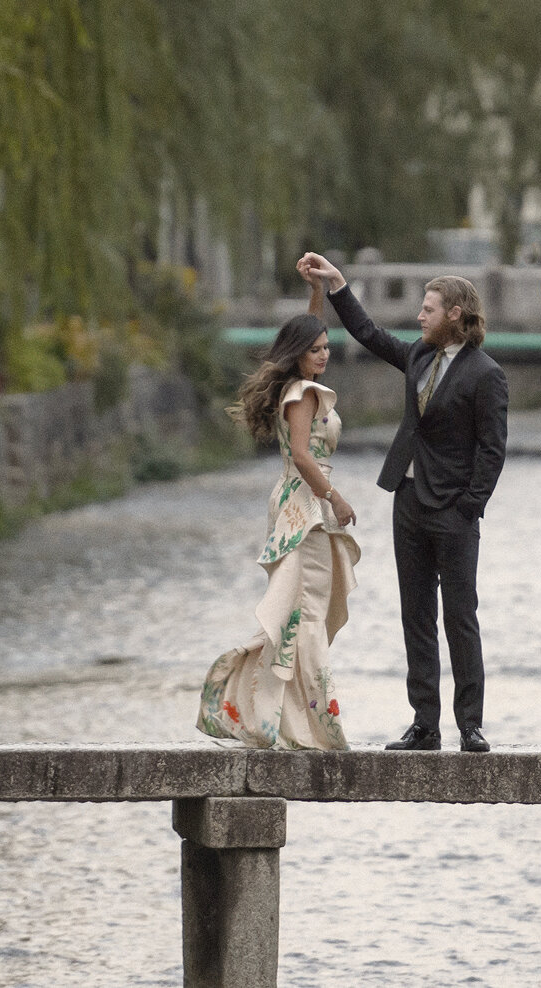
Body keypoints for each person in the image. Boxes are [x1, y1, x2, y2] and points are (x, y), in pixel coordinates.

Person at [296, 251, 507, 753]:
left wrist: (469, 506)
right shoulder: (417, 357)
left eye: (429, 309)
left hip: (453, 511)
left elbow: (492, 451)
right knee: (415, 615)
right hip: (408, 502)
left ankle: (471, 725)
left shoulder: (486, 374)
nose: (420, 316)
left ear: (455, 313)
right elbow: (370, 335)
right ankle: (425, 725)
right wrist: (338, 286)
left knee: (460, 617)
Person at [197, 278, 361, 750]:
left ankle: (278, 719)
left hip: (297, 501)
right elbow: (307, 459)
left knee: (297, 613)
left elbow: (309, 336)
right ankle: (317, 729)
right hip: (306, 502)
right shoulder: (304, 395)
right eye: (315, 349)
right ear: (299, 354)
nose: (324, 354)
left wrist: (318, 292)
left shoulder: (298, 385)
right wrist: (336, 497)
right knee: (305, 614)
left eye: (327, 347)